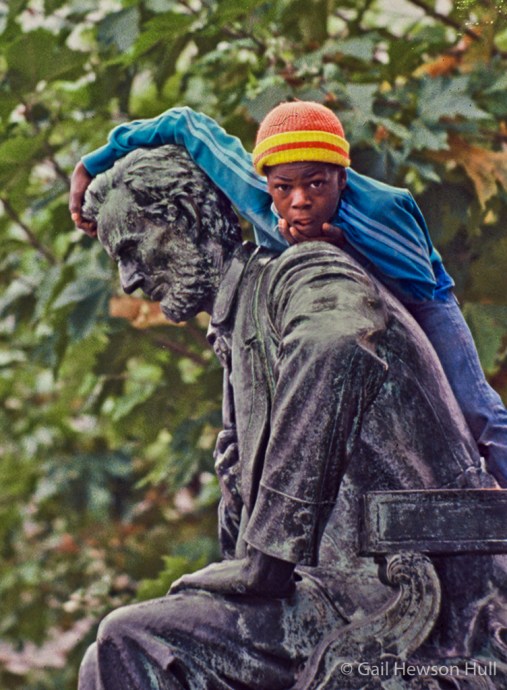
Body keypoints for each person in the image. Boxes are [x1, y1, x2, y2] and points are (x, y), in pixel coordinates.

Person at [78, 145, 506, 690]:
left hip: (421, 601)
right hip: (334, 599)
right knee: (112, 654)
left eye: (133, 248)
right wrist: (236, 491)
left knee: (132, 638)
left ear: (184, 219)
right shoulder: (238, 337)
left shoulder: (301, 273)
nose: (130, 280)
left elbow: (336, 343)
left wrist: (265, 556)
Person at [69, 100, 507, 488]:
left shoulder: (382, 209)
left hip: (421, 302)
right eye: (284, 188)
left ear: (341, 178)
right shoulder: (257, 196)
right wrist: (95, 160)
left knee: (477, 411)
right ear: (268, 182)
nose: (299, 200)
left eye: (316, 184)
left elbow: (416, 282)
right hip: (343, 314)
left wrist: (339, 244)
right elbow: (186, 124)